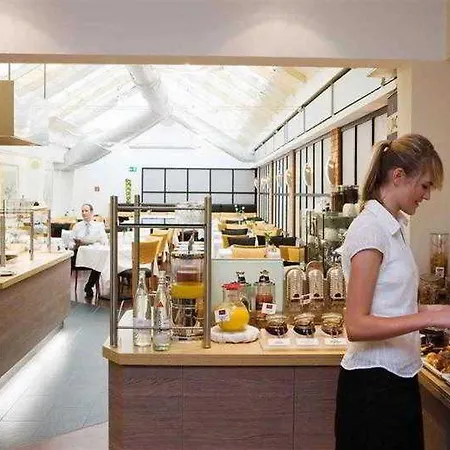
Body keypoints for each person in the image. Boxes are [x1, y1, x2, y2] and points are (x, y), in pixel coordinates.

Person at [335, 134, 450, 450]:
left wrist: (439, 312)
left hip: (395, 382)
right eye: (424, 185)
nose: (427, 195)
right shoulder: (371, 230)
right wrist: (427, 318)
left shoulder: (392, 228)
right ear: (398, 176)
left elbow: (395, 307)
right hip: (373, 390)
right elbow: (356, 325)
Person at [70, 203, 108, 298]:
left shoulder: (98, 226)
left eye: (86, 211)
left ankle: (89, 286)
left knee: (100, 261)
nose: (84, 213)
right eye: (82, 211)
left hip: (94, 253)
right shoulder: (77, 226)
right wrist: (75, 244)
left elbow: (105, 240)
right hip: (79, 253)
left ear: (91, 212)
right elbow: (70, 242)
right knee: (69, 260)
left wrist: (97, 242)